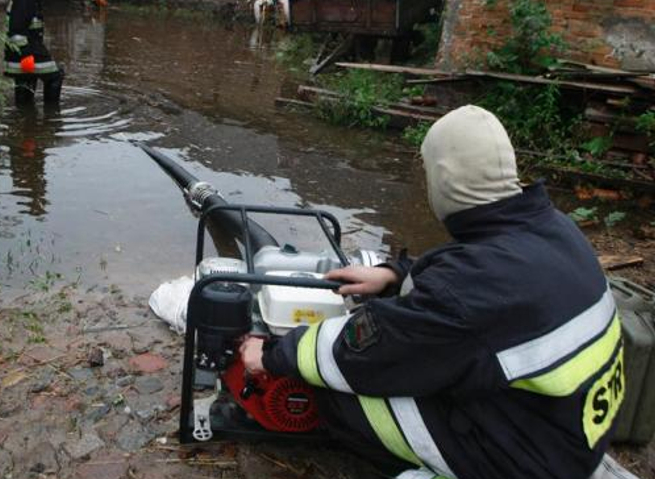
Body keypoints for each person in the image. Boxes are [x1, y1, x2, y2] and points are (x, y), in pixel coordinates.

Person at [240, 105, 634, 479]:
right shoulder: (553, 228)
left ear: (442, 177)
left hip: (531, 463)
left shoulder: (468, 290)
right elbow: (476, 277)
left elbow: (363, 356)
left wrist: (273, 355)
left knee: (335, 390)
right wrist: (394, 274)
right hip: (568, 433)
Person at [5, 0, 63, 105]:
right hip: (25, 50)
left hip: (22, 50)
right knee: (55, 76)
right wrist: (25, 55)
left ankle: (26, 119)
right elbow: (16, 29)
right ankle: (51, 115)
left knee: (26, 84)